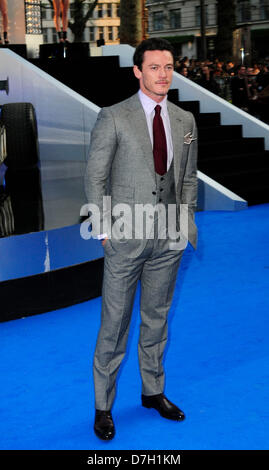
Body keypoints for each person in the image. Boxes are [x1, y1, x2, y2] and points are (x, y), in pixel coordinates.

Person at [84, 38, 198, 441]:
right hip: (124, 238)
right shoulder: (113, 117)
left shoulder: (185, 121)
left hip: (168, 239)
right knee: (114, 324)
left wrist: (183, 228)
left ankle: (153, 392)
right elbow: (95, 177)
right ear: (138, 71)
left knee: (157, 319)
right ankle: (103, 406)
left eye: (168, 66)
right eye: (154, 67)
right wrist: (102, 231)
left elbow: (187, 178)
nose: (163, 74)